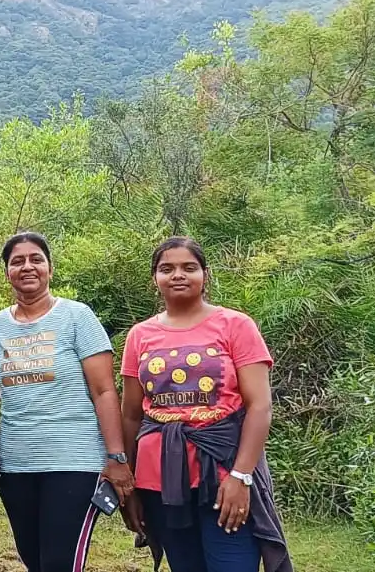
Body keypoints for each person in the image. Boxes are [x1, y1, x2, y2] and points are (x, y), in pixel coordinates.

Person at [119, 237, 292, 572]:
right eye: (167, 269)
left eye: (189, 267)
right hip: (160, 480)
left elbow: (259, 407)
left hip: (223, 473)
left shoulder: (236, 325)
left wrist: (241, 476)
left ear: (205, 274)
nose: (178, 275)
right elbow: (131, 415)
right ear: (155, 278)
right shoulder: (139, 335)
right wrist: (129, 484)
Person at [0, 232, 134, 572]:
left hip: (74, 461)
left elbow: (104, 391)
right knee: (34, 560)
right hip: (15, 463)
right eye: (17, 261)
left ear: (50, 268)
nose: (27, 267)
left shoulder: (77, 317)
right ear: (7, 272)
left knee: (59, 563)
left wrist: (117, 457)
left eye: (36, 259)